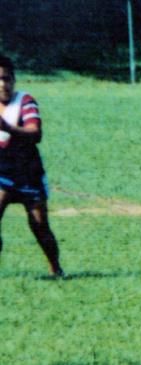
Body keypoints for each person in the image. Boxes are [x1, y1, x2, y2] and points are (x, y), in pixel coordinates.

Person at [0, 55, 64, 277]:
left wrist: (7, 127)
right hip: (2, 173)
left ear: (14, 80)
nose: (3, 85)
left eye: (7, 79)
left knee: (39, 225)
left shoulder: (25, 102)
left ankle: (55, 267)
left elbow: (35, 133)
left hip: (28, 173)